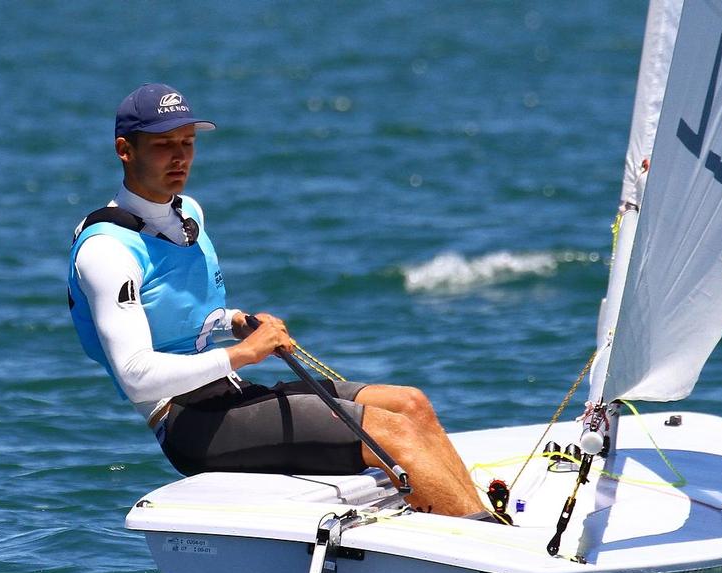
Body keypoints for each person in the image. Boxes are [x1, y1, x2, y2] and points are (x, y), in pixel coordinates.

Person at [67, 83, 489, 518]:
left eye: (188, 143)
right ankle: (489, 555)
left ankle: (486, 524)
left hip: (230, 395)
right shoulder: (107, 251)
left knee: (410, 404)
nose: (180, 158)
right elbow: (136, 375)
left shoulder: (187, 213)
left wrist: (234, 321)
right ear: (125, 149)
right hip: (188, 422)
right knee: (390, 433)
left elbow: (178, 315)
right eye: (163, 146)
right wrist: (245, 352)